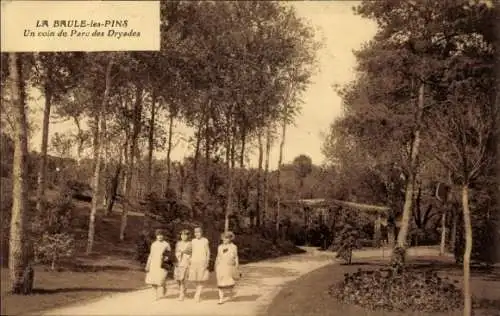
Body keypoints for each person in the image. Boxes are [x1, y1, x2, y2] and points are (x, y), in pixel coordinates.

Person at [145, 229, 171, 300]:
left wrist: (166, 258)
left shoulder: (166, 244)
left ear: (163, 236)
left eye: (161, 235)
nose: (160, 237)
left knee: (161, 280)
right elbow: (151, 255)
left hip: (162, 264)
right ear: (156, 236)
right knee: (153, 280)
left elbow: (169, 254)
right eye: (158, 235)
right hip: (154, 264)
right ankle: (155, 295)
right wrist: (148, 264)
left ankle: (164, 288)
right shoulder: (154, 244)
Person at [215, 231, 239, 304]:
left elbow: (236, 257)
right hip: (221, 266)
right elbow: (218, 257)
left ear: (230, 239)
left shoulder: (233, 247)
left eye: (227, 238)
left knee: (229, 283)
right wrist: (216, 266)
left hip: (229, 267)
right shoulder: (220, 247)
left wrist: (237, 265)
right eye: (223, 238)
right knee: (220, 283)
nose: (225, 240)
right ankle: (221, 299)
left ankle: (231, 295)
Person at [188, 226, 210, 302]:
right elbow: (190, 251)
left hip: (202, 261)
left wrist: (207, 261)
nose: (197, 233)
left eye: (199, 232)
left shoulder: (205, 240)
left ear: (201, 233)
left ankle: (197, 294)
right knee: (193, 279)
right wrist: (189, 259)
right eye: (196, 232)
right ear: (194, 233)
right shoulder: (193, 241)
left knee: (201, 279)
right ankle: (198, 291)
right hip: (194, 261)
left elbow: (208, 252)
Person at [174, 229, 192, 301]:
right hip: (178, 261)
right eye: (182, 235)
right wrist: (176, 258)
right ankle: (183, 289)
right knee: (177, 279)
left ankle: (181, 294)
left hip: (186, 262)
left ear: (188, 236)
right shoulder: (178, 243)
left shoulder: (190, 244)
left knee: (183, 279)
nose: (183, 236)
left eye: (185, 235)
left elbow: (192, 253)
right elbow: (176, 252)